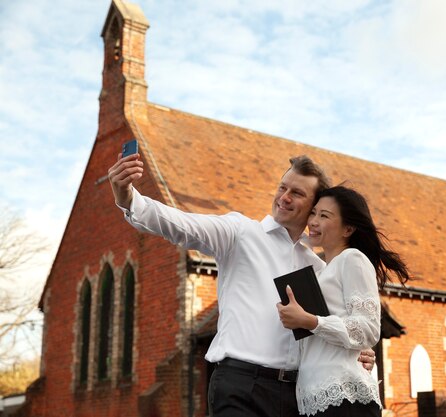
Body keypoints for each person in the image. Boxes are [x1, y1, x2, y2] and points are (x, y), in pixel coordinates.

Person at [107, 153, 376, 417]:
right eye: (283, 187)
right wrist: (129, 198)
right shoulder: (240, 233)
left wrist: (358, 352)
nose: (284, 197)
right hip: (240, 386)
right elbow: (182, 225)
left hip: (297, 397)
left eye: (297, 193)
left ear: (313, 207)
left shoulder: (318, 267)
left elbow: (330, 327)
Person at [277, 185, 410, 416]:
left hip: (346, 397)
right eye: (314, 213)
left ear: (348, 228)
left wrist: (311, 321)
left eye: (324, 216)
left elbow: (369, 329)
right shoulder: (318, 273)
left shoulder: (353, 259)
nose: (314, 221)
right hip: (313, 399)